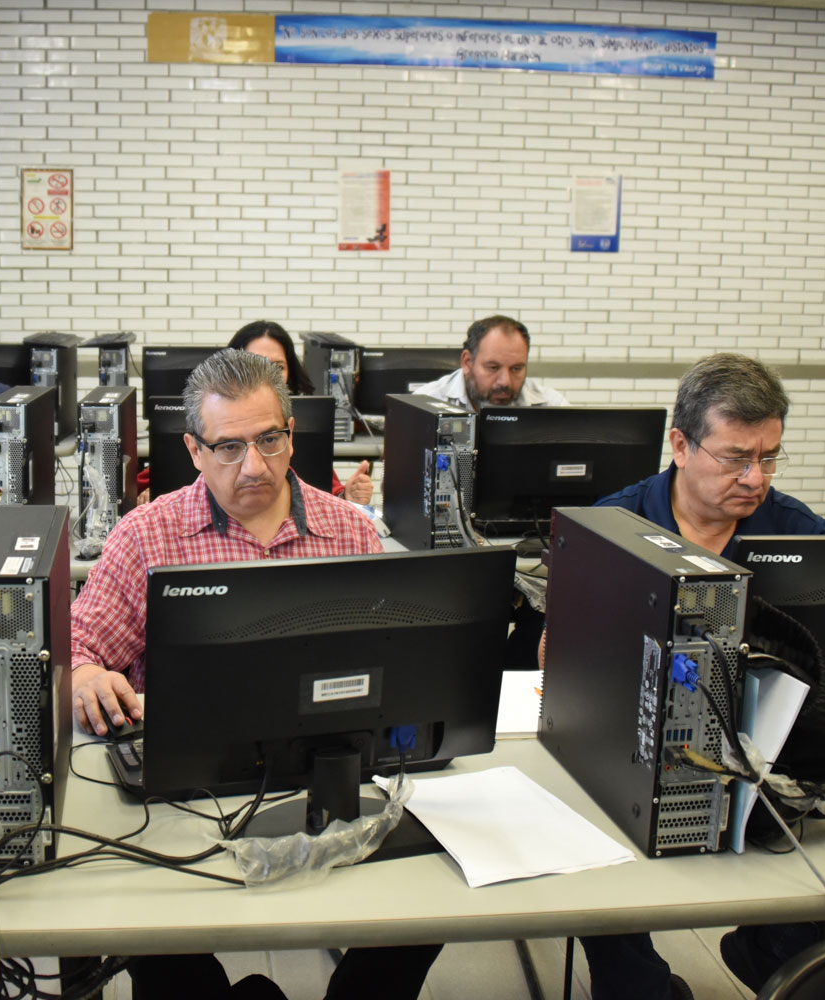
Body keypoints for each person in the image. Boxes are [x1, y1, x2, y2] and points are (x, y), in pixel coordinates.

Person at [70, 349, 437, 1000]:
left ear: (291, 435)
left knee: (430, 908)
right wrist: (82, 674)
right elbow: (79, 641)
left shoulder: (349, 531)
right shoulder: (147, 537)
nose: (255, 466)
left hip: (326, 775)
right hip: (189, 799)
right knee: (152, 934)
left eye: (270, 440)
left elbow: (391, 663)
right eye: (229, 447)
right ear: (194, 450)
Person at [542, 353, 825, 1000]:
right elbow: (554, 655)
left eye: (769, 457)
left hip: (766, 752)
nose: (755, 478)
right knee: (594, 835)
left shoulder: (800, 534)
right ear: (680, 443)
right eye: (735, 458)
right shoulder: (614, 526)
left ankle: (775, 957)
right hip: (630, 740)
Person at [229, 320, 372, 505]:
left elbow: (326, 491)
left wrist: (347, 497)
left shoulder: (302, 419)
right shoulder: (217, 424)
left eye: (278, 367)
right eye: (255, 364)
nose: (268, 375)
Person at [411, 315, 568, 411]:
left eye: (516, 369)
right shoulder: (425, 404)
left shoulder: (551, 406)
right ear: (467, 362)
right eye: (493, 368)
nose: (505, 381)